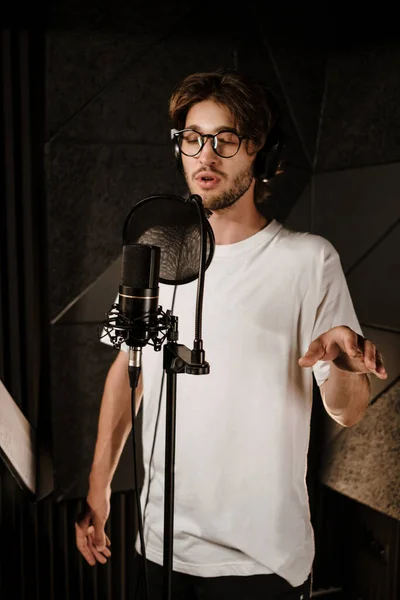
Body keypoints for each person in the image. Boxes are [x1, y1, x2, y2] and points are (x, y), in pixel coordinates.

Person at [75, 70, 387, 599]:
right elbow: (129, 372)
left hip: (260, 564)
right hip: (159, 546)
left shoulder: (308, 259)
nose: (206, 156)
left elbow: (349, 410)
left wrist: (339, 363)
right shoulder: (156, 249)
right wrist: (98, 488)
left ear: (257, 150)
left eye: (226, 140)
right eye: (193, 139)